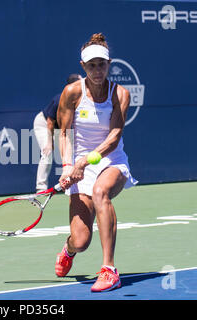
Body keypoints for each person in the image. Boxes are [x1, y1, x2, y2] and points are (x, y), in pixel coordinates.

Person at [55, 33, 138, 292]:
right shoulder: (71, 93)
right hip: (79, 164)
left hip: (111, 160)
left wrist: (86, 161)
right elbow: (64, 132)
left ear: (109, 63)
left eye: (102, 64)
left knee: (101, 192)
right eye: (91, 65)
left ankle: (109, 269)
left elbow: (114, 137)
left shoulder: (120, 94)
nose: (97, 70)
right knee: (81, 241)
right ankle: (68, 250)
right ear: (83, 67)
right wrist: (68, 166)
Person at [33, 74, 82, 192]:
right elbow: (50, 122)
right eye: (81, 83)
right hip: (44, 124)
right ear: (73, 86)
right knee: (48, 152)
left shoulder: (82, 100)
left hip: (62, 128)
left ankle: (73, 184)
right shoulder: (59, 99)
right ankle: (41, 188)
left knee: (72, 153)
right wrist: (50, 143)